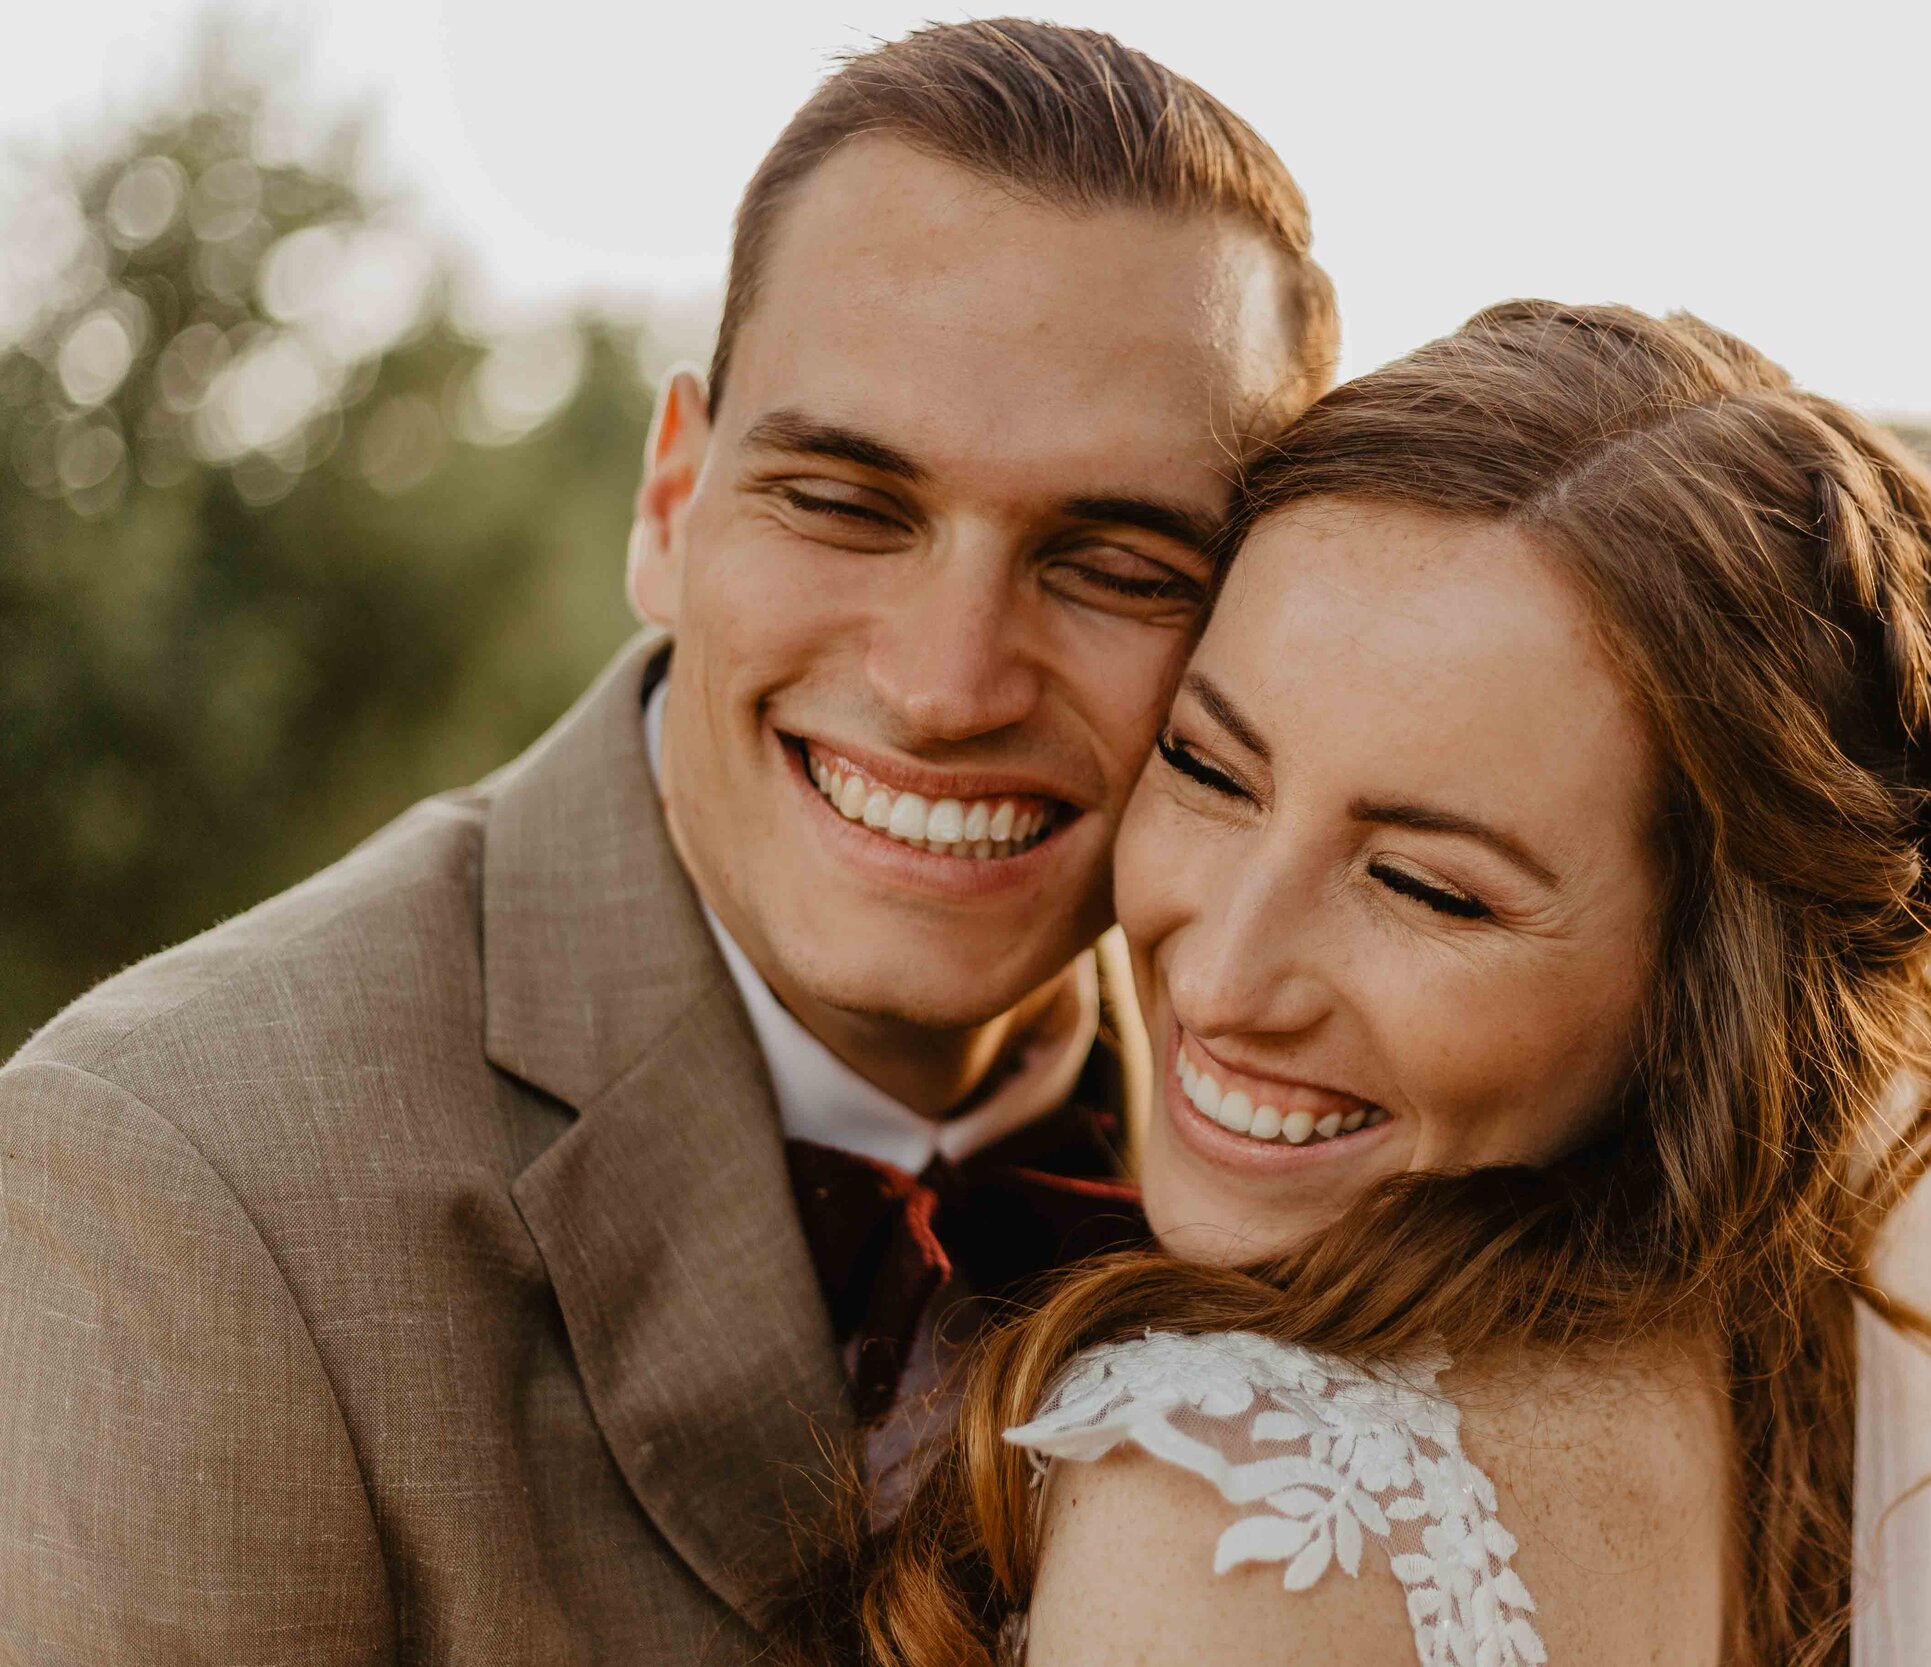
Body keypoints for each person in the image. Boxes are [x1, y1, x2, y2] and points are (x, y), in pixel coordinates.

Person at [0, 21, 1332, 1664]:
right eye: (847, 503)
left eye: (1117, 562)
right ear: (669, 502)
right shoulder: (173, 1189)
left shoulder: (1370, 1154)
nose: (943, 685)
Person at [840, 305, 1931, 1665]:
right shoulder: (1772, 1414)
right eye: (1210, 769)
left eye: (1429, 888)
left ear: (1706, 997)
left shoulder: (1227, 1506)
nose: (1223, 974)